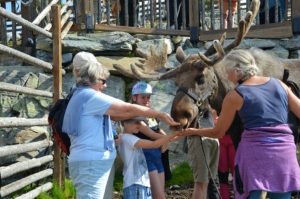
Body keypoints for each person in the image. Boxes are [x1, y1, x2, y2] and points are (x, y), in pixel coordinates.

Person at [179, 49, 300, 199]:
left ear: (237, 71)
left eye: (228, 72)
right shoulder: (280, 84)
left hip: (256, 157)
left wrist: (193, 131)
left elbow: (218, 132)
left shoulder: (235, 95)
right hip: (284, 155)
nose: (228, 77)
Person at [62, 52, 180, 199]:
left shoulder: (82, 94)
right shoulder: (88, 95)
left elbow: (119, 115)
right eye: (102, 80)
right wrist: (160, 114)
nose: (105, 85)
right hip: (91, 163)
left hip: (94, 163)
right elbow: (126, 109)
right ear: (90, 78)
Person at [118, 116, 180, 199]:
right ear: (125, 123)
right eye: (136, 122)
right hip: (135, 185)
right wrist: (174, 134)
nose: (140, 125)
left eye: (140, 122)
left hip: (139, 184)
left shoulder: (127, 138)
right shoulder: (128, 139)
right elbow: (153, 144)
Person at [130, 82, 172, 199]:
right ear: (134, 97)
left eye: (148, 97)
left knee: (160, 193)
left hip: (157, 155)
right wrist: (169, 138)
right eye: (143, 97)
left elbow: (158, 130)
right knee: (158, 195)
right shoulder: (135, 115)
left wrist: (165, 138)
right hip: (145, 156)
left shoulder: (151, 114)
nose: (146, 100)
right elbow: (151, 134)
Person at [212, 108, 236, 199]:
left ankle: (239, 195)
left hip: (233, 137)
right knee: (222, 171)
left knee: (236, 170)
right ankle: (224, 196)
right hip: (220, 137)